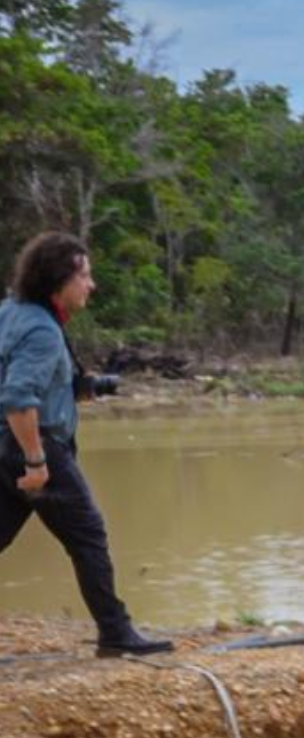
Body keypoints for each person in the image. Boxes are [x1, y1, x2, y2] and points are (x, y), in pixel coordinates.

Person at [0, 232, 172, 656]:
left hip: (4, 445)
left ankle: (115, 631)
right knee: (88, 536)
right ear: (60, 279)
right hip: (35, 446)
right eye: (85, 275)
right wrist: (37, 462)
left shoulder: (11, 312)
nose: (91, 285)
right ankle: (116, 634)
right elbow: (18, 398)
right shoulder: (42, 330)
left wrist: (82, 387)